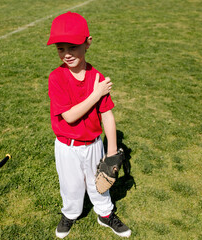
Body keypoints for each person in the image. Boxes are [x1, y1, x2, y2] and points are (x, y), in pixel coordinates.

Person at [47, 12, 132, 238]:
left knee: (99, 183)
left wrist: (111, 152)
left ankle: (105, 214)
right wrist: (97, 94)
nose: (66, 54)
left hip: (94, 144)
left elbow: (107, 115)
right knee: (71, 186)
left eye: (72, 47)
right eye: (60, 48)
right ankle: (70, 213)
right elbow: (70, 117)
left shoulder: (97, 78)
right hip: (67, 146)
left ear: (88, 43)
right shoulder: (56, 78)